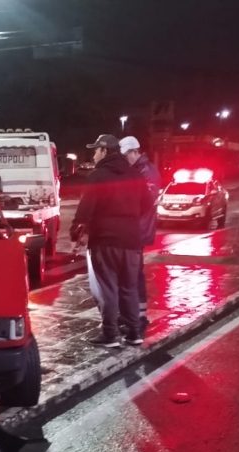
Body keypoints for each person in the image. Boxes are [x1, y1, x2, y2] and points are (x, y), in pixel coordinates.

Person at [70, 134, 148, 348]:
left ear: (104, 151)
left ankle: (110, 334)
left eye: (95, 150)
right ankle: (134, 333)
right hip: (131, 242)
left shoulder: (99, 176)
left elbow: (85, 210)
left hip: (105, 241)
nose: (93, 155)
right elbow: (147, 206)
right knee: (129, 287)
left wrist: (75, 235)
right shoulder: (136, 175)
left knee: (108, 288)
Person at [119, 136, 162, 335]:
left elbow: (144, 202)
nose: (125, 159)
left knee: (135, 274)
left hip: (138, 230)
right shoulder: (136, 170)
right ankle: (130, 314)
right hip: (130, 229)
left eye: (126, 155)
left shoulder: (147, 172)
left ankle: (141, 317)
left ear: (135, 152)